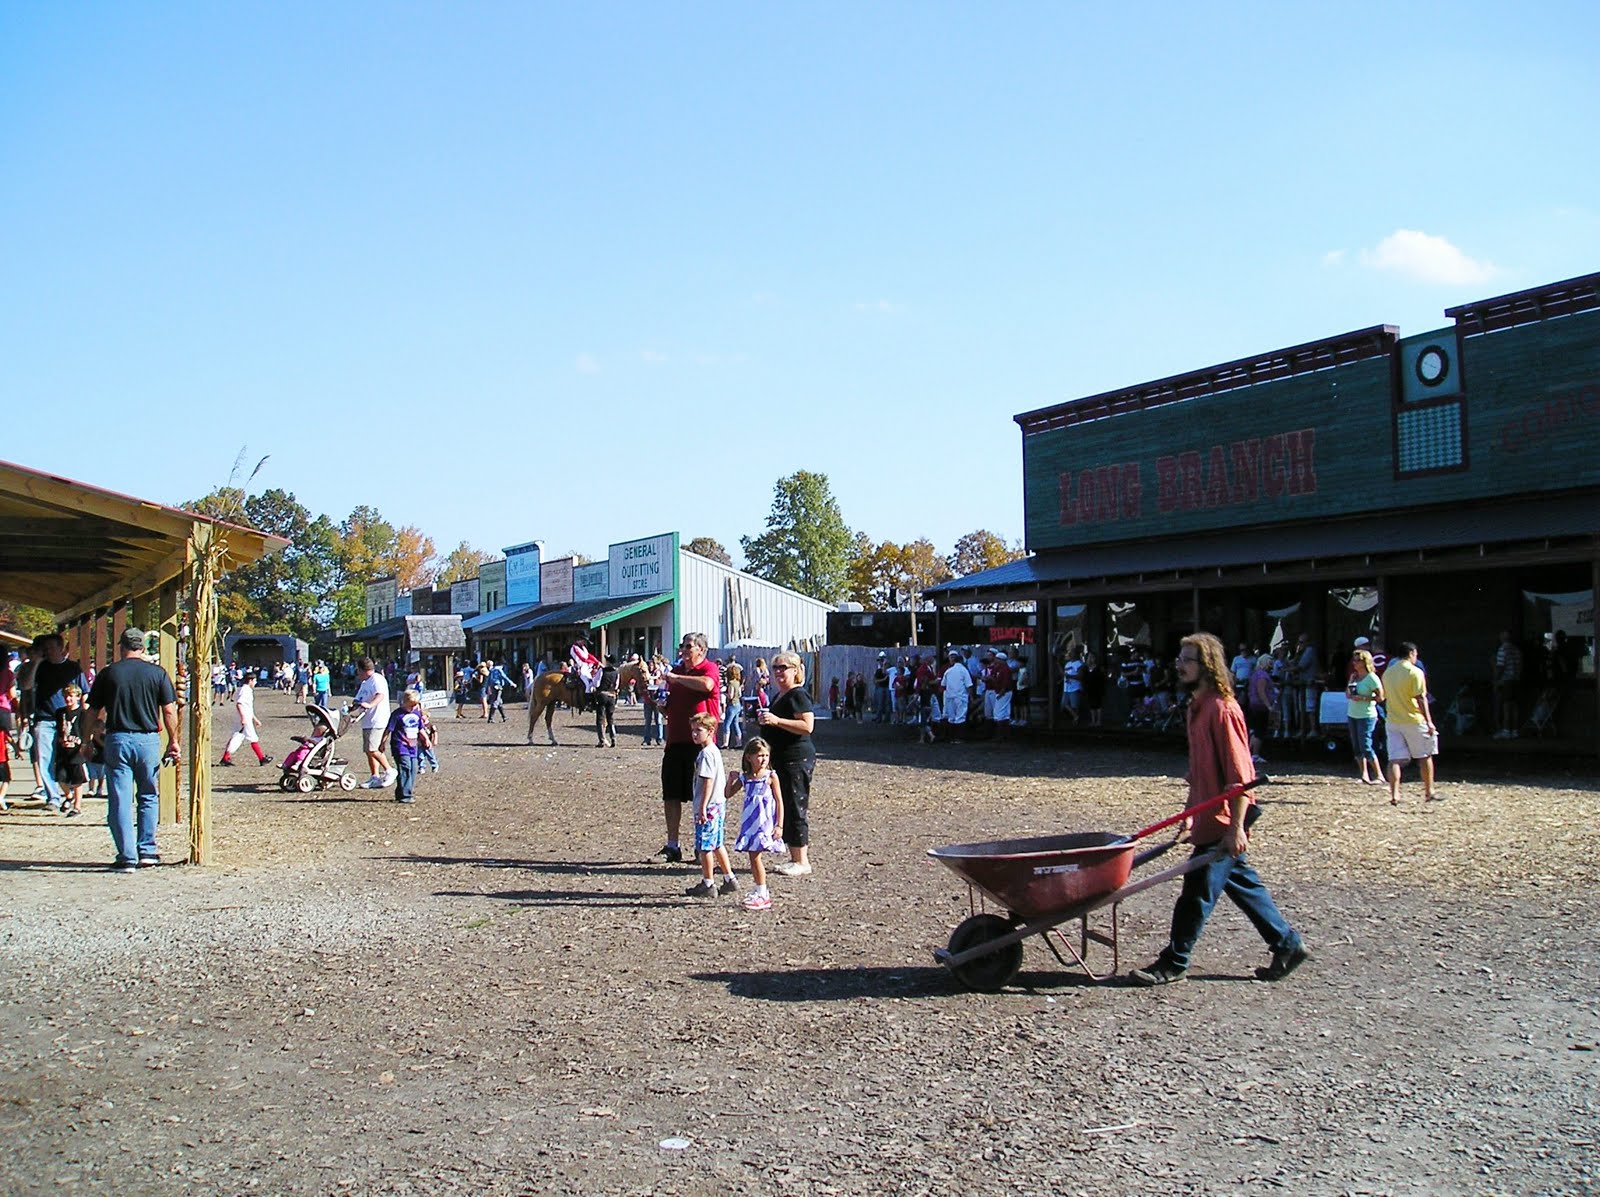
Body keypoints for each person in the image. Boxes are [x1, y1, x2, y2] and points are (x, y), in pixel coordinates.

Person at [1128, 633, 1307, 987]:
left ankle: (1174, 961)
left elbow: (1241, 778)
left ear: (1207, 666)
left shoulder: (1222, 710)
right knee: (1242, 884)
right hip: (1209, 819)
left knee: (1196, 894)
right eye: (1180, 658)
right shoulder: (1197, 707)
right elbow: (1199, 774)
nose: (1179, 664)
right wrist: (1189, 816)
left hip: (1225, 820)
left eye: (1187, 659)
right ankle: (1287, 943)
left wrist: (1236, 828)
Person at [84, 627, 180, 872]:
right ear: (143, 647)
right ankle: (146, 850)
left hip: (118, 738)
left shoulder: (109, 674)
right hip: (148, 739)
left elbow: (92, 711)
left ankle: (126, 855)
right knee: (148, 795)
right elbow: (169, 710)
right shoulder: (157, 673)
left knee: (120, 798)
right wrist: (173, 740)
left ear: (121, 646)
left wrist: (85, 740)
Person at [652, 633, 722, 863]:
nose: (683, 649)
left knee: (701, 797)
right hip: (675, 741)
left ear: (701, 649)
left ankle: (702, 847)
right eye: (682, 645)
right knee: (671, 794)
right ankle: (673, 845)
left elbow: (708, 685)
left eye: (689, 646)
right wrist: (662, 705)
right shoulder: (677, 672)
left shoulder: (707, 669)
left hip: (700, 746)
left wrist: (676, 678)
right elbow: (671, 706)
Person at [756, 651, 815, 877]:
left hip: (796, 757)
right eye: (776, 668)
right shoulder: (781, 695)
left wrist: (776, 720)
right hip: (782, 757)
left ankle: (802, 860)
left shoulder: (798, 695)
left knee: (795, 805)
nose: (779, 672)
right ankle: (794, 857)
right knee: (786, 805)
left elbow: (807, 726)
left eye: (784, 668)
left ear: (795, 670)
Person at [31, 633, 88, 813]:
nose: (47, 652)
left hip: (68, 720)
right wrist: (36, 663)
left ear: (60, 648)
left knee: (69, 760)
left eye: (50, 648)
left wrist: (85, 719)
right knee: (44, 758)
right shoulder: (40, 668)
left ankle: (71, 794)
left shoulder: (73, 668)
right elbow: (25, 686)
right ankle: (53, 797)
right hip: (45, 718)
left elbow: (85, 693)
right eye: (45, 649)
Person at [684, 713, 739, 898]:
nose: (694, 734)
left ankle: (708, 882)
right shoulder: (714, 751)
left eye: (698, 730)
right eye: (692, 730)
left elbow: (707, 780)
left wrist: (702, 806)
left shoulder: (706, 754)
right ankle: (729, 877)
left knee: (705, 846)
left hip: (708, 807)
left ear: (710, 731)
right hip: (718, 804)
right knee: (717, 843)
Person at [728, 735, 785, 910]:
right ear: (749, 757)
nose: (763, 759)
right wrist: (731, 780)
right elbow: (728, 794)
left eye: (766, 755)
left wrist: (779, 825)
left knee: (755, 856)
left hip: (764, 822)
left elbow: (779, 801)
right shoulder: (745, 778)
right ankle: (760, 890)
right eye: (759, 755)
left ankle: (762, 892)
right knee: (753, 857)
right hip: (750, 822)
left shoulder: (770, 776)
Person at [1382, 641, 1440, 805]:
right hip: (1413, 719)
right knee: (1424, 756)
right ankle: (1429, 792)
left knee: (1394, 759)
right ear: (1412, 653)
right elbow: (1421, 698)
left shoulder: (1388, 673)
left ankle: (1394, 794)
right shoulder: (1415, 672)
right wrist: (1429, 721)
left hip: (1393, 720)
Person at [348, 657, 395, 789]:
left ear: (361, 669)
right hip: (367, 720)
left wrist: (370, 704)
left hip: (377, 719)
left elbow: (380, 695)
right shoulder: (364, 683)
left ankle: (389, 770)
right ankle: (375, 776)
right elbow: (358, 700)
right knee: (368, 750)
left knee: (373, 748)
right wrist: (352, 708)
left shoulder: (377, 679)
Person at [379, 690, 428, 804]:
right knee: (405, 767)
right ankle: (406, 795)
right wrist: (383, 743)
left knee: (413, 769)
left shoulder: (417, 714)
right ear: (404, 702)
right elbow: (388, 730)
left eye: (415, 705)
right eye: (411, 705)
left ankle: (401, 791)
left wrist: (426, 739)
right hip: (400, 745)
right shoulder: (397, 714)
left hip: (413, 746)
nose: (413, 707)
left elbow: (420, 728)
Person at [1345, 649, 1385, 785]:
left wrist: (1363, 698)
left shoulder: (1372, 678)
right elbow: (1348, 694)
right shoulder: (1355, 676)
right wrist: (1351, 683)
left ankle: (1379, 775)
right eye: (1354, 660)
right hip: (1353, 713)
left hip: (1366, 715)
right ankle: (1364, 774)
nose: (1354, 663)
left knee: (1366, 745)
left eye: (1357, 660)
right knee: (1357, 746)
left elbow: (1380, 697)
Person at [219, 672, 273, 766]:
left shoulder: (247, 690)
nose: (255, 682)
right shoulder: (245, 690)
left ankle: (225, 758)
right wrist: (243, 718)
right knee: (252, 737)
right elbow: (239, 704)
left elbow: (248, 707)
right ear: (250, 680)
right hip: (244, 718)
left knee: (237, 737)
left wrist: (255, 719)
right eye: (255, 680)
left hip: (245, 717)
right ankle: (261, 758)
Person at [55, 684, 90, 817]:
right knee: (60, 778)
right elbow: (58, 731)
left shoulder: (83, 714)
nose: (68, 699)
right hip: (63, 751)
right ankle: (68, 796)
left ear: (77, 697)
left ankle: (77, 806)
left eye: (71, 696)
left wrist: (83, 743)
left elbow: (87, 732)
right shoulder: (60, 713)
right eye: (66, 696)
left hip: (77, 751)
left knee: (77, 780)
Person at [1492, 630, 1523, 740]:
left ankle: (1506, 730)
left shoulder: (1502, 649)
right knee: (1514, 706)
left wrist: (1496, 680)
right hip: (1516, 680)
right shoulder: (1516, 650)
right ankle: (1514, 730)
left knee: (1506, 706)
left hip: (1506, 681)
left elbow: (1500, 667)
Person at [940, 649, 974, 730]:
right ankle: (959, 737)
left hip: (950, 697)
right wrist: (972, 697)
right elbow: (969, 685)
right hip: (960, 697)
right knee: (960, 717)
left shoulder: (948, 671)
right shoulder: (964, 670)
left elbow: (943, 684)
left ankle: (951, 737)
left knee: (951, 717)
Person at [593, 656, 619, 748]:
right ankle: (613, 738)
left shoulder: (602, 671)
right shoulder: (616, 672)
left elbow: (596, 683)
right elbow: (616, 686)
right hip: (612, 696)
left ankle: (602, 740)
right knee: (610, 718)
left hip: (602, 695)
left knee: (600, 718)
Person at [720, 659, 744, 749]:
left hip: (732, 705)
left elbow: (730, 696)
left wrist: (723, 693)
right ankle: (739, 742)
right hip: (738, 704)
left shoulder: (731, 683)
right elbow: (740, 694)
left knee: (726, 724)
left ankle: (725, 743)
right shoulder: (737, 683)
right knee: (736, 724)